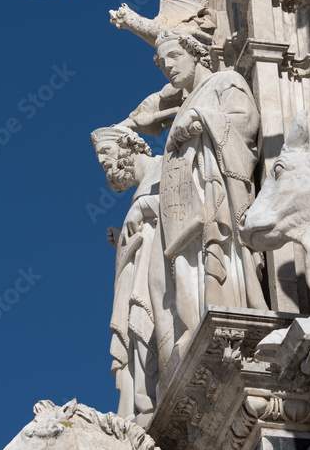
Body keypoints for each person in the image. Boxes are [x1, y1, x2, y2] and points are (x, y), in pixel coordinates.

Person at [126, 28, 268, 370]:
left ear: (196, 54)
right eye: (162, 64)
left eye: (175, 56)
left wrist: (203, 120)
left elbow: (246, 124)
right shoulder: (183, 105)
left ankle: (230, 306)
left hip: (215, 191)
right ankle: (195, 324)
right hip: (184, 209)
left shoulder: (226, 81)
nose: (169, 67)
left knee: (218, 249)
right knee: (185, 268)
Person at [91, 125, 163, 425]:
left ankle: (149, 397)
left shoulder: (164, 166)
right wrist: (124, 237)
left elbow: (186, 202)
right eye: (99, 158)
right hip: (143, 279)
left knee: (145, 322)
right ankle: (143, 401)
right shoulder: (141, 189)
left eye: (106, 152)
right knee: (137, 331)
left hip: (161, 283)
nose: (103, 162)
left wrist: (145, 207)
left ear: (129, 146)